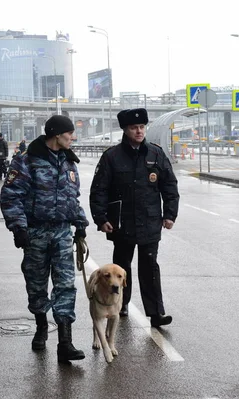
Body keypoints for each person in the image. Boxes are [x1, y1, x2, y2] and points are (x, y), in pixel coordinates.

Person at [0, 114, 89, 363]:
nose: (73, 137)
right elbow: (11, 196)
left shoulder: (68, 162)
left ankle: (65, 342)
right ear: (56, 134)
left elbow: (73, 197)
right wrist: (19, 228)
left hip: (62, 233)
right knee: (37, 284)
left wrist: (80, 224)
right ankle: (41, 327)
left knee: (66, 286)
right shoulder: (27, 161)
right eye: (70, 133)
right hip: (35, 233)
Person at [89, 108, 179, 328]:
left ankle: (156, 313)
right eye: (133, 128)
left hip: (149, 222)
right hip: (121, 223)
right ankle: (122, 305)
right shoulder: (112, 156)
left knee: (150, 267)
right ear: (125, 130)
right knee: (121, 269)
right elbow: (99, 189)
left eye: (141, 127)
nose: (139, 131)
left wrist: (170, 214)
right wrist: (101, 218)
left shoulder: (156, 154)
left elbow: (169, 185)